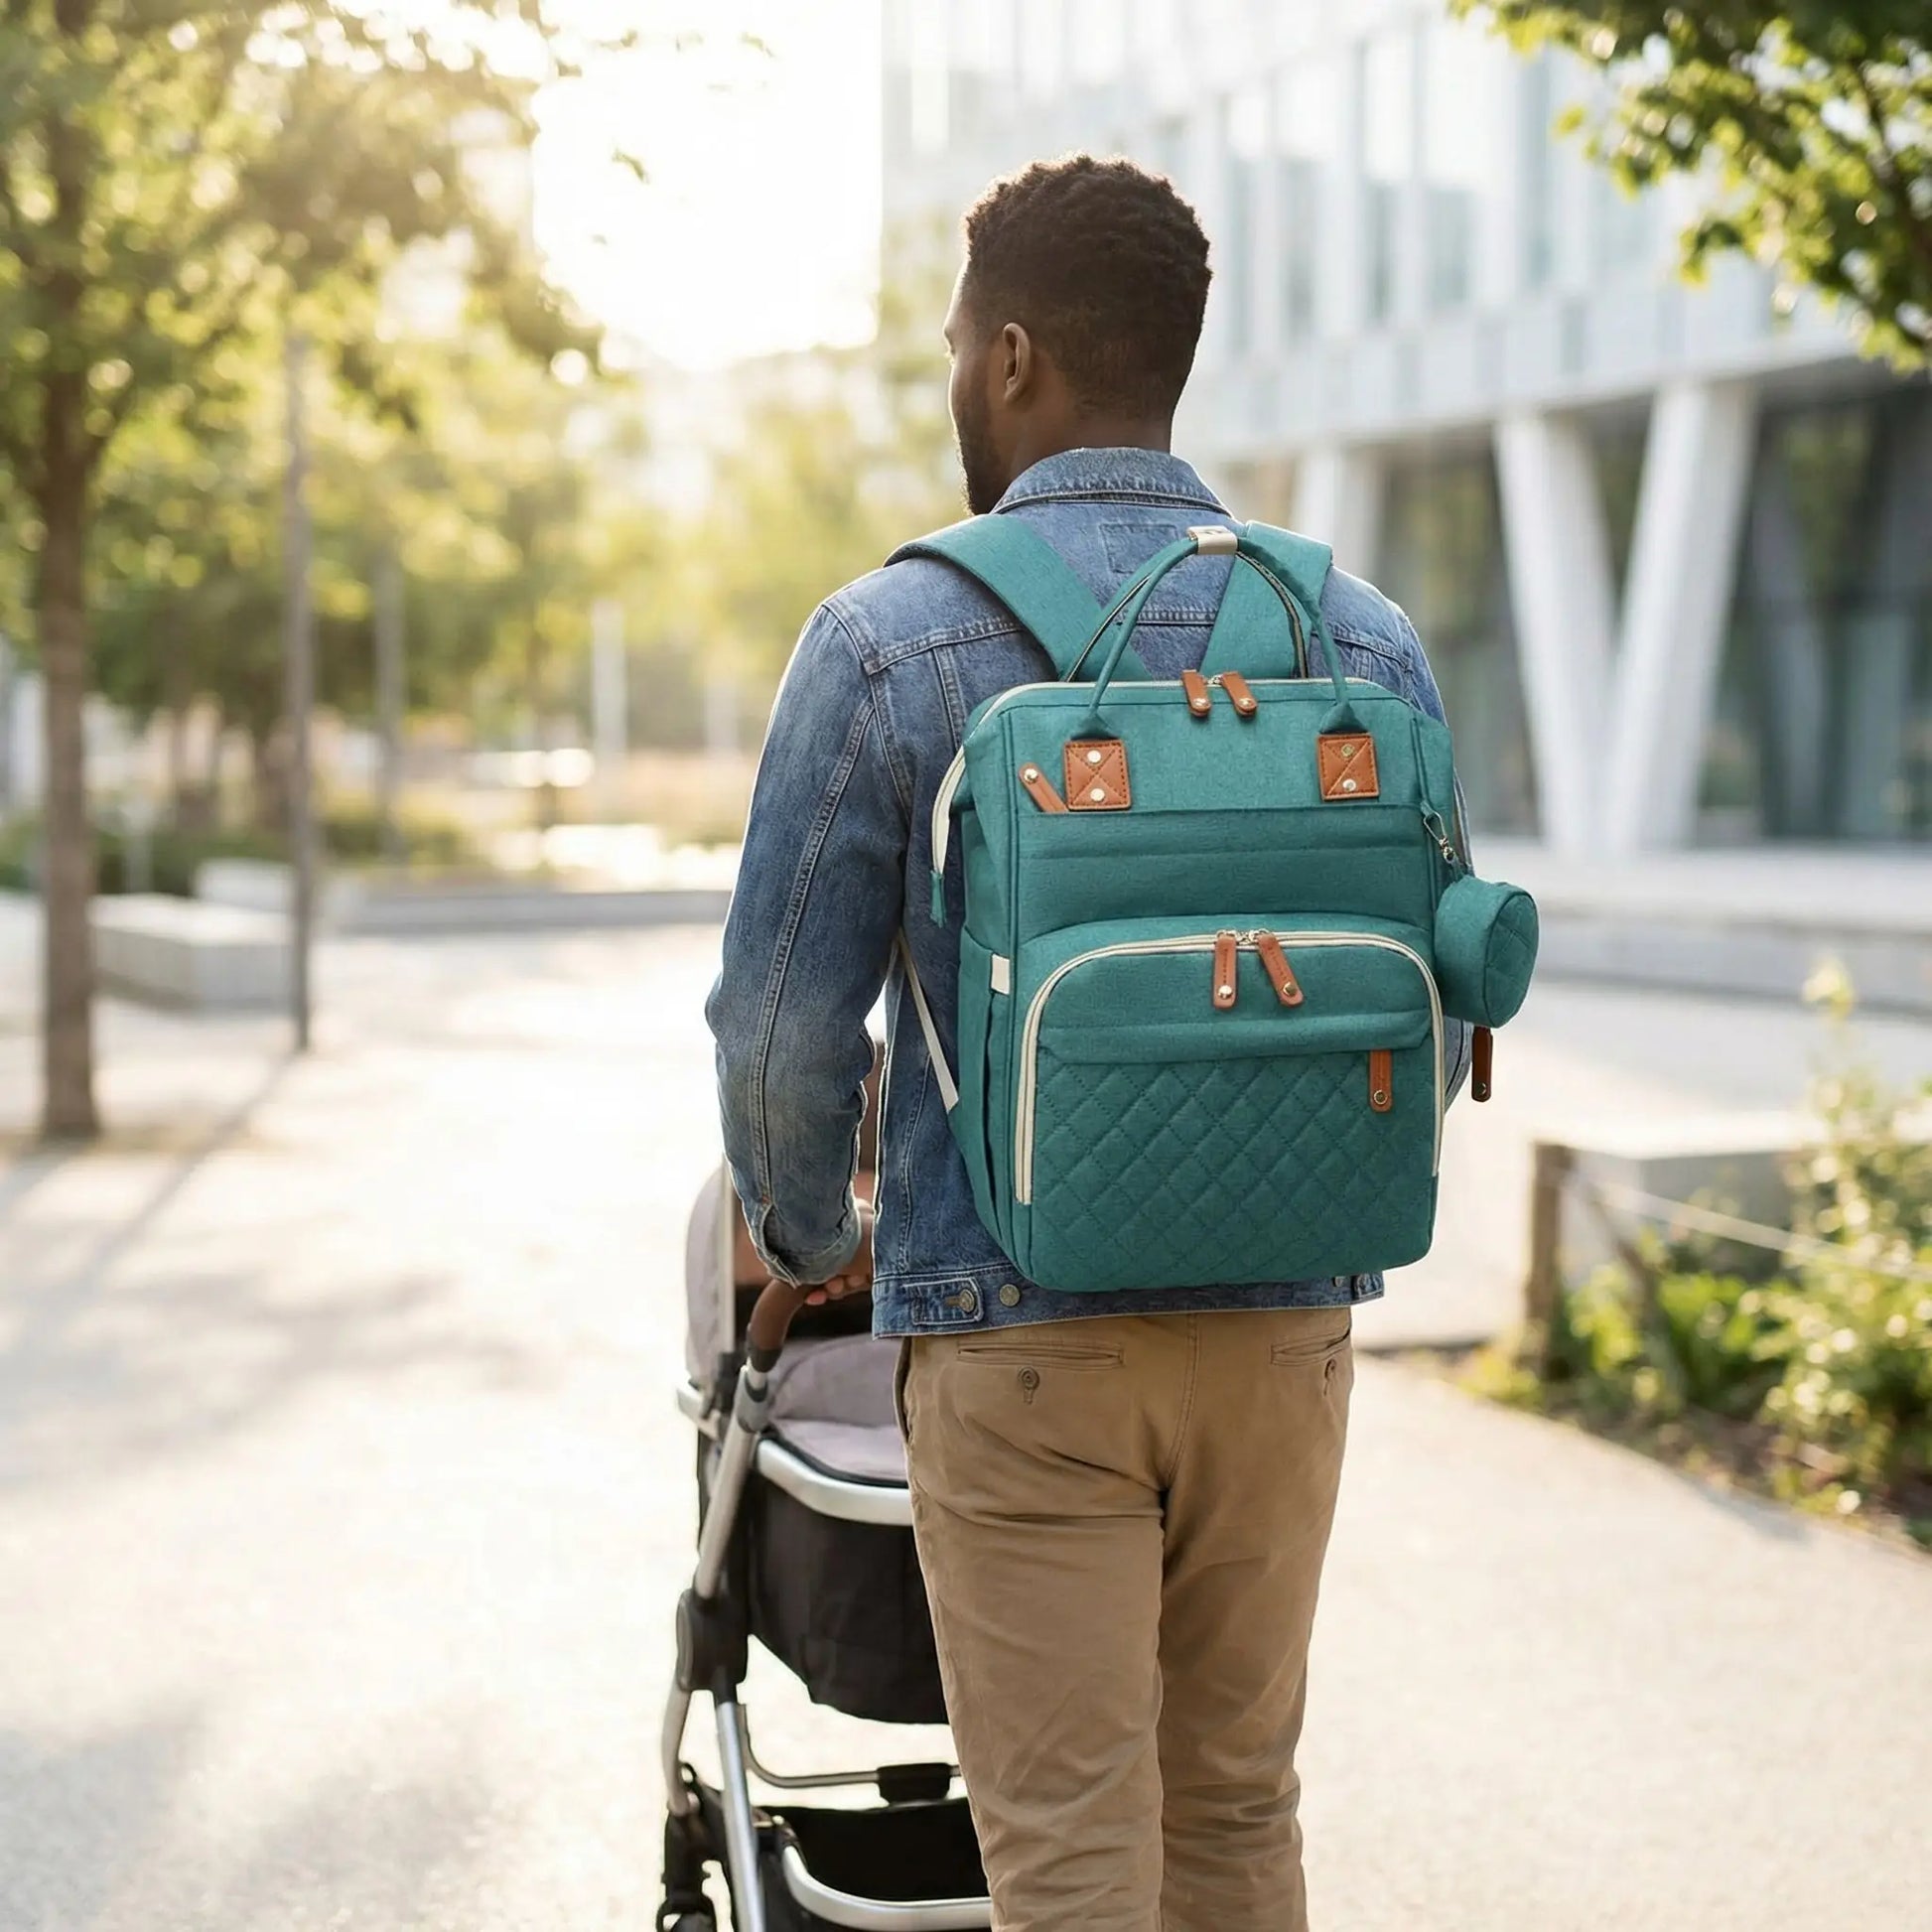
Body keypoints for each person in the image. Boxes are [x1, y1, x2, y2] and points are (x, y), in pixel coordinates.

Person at [707, 155, 1471, 1932]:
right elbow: (1421, 1007)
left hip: (1009, 1338)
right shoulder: (1356, 640)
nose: (955, 379)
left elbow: (776, 1030)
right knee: (1235, 1820)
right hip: (1282, 1336)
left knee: (1064, 1866)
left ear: (1016, 359)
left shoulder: (886, 638)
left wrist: (822, 1244)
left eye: (959, 345)